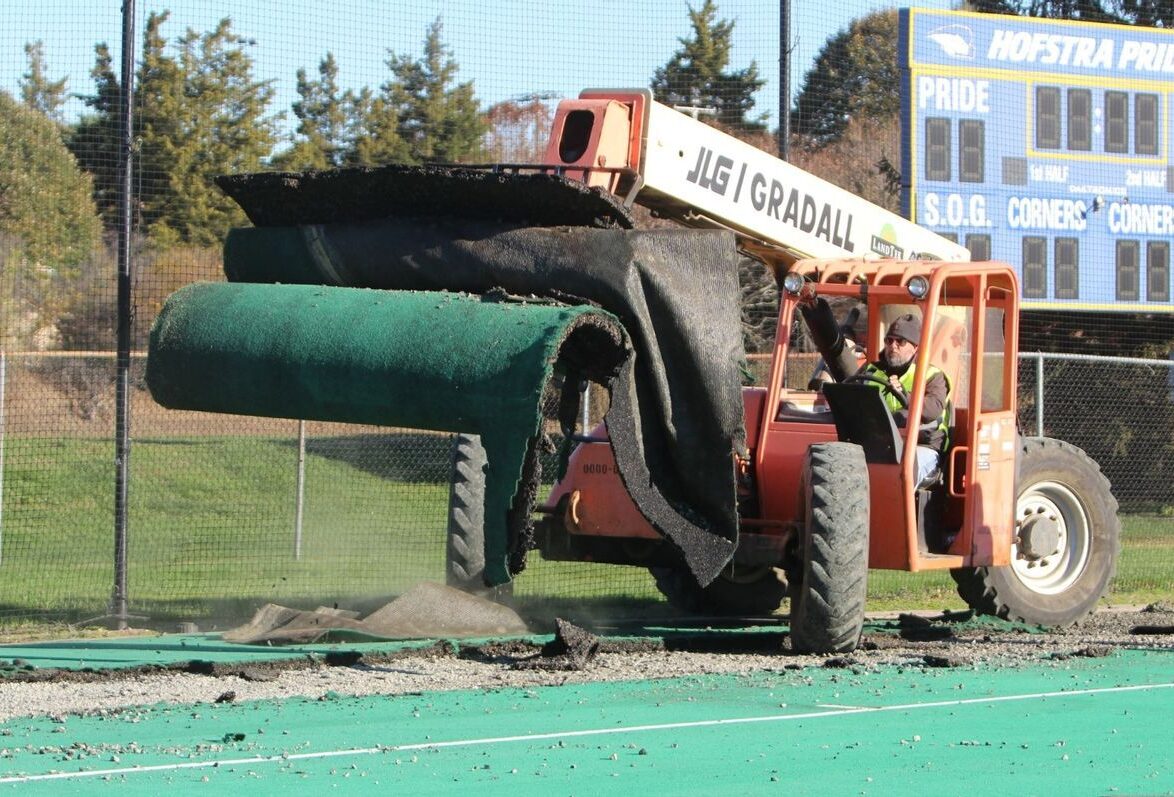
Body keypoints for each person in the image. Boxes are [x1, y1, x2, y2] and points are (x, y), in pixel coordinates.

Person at [859, 313, 949, 487]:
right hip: (881, 444)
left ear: (915, 347)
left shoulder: (933, 376)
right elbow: (852, 396)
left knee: (904, 469)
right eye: (889, 340)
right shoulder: (870, 371)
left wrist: (905, 396)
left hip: (921, 446)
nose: (893, 346)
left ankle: (892, 513)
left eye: (900, 342)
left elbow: (933, 409)